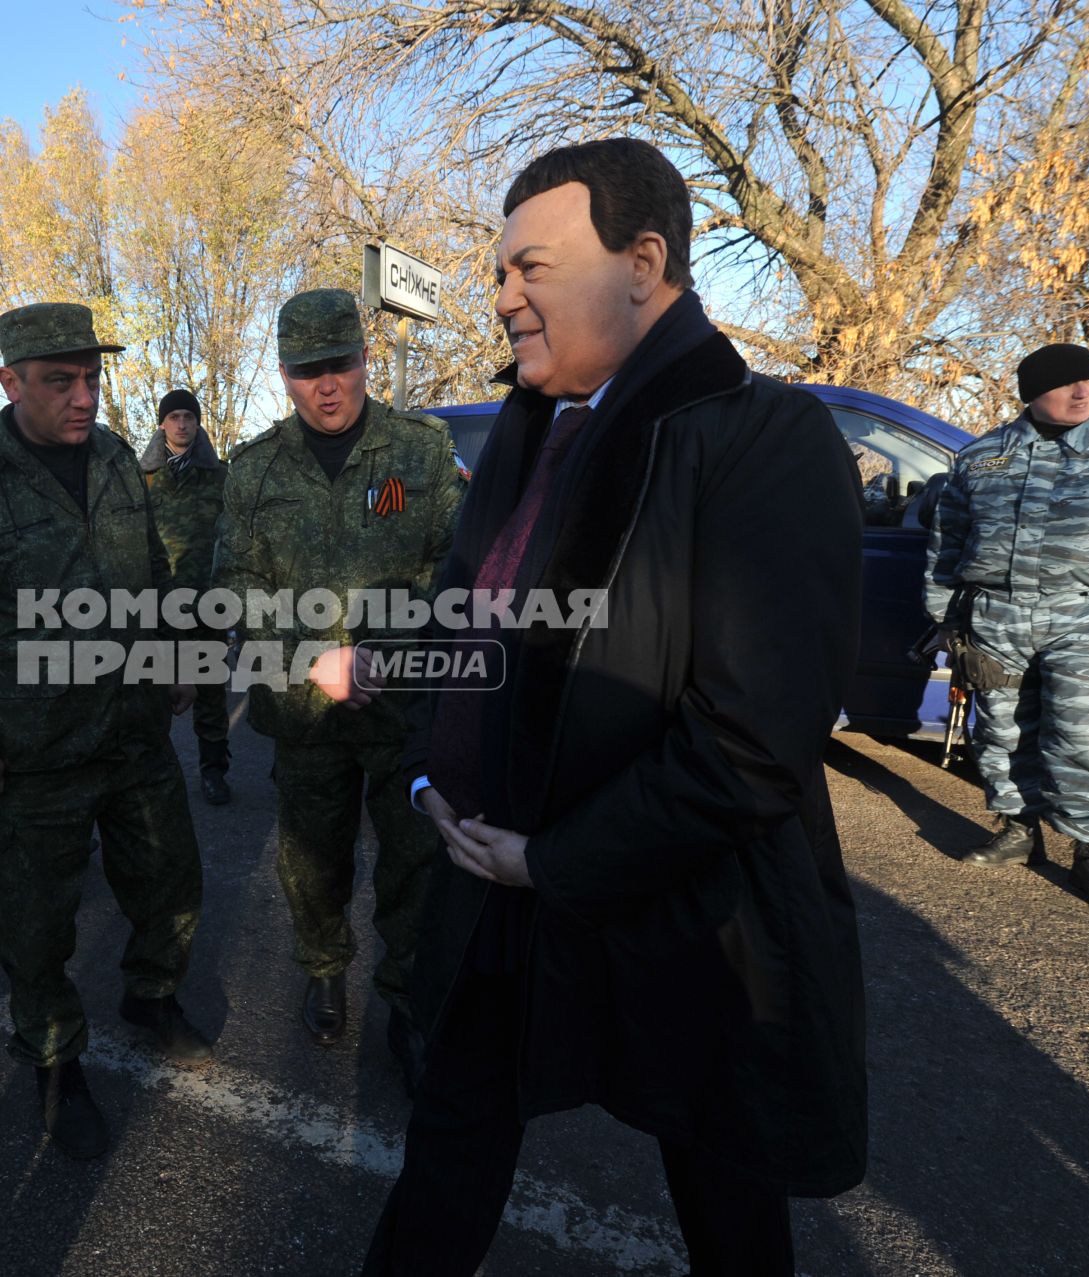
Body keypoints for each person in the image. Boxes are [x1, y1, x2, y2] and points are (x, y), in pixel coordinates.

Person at [364, 140, 867, 1276]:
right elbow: (456, 626)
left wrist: (555, 858)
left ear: (644, 261)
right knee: (446, 1154)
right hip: (498, 893)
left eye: (528, 268)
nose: (500, 299)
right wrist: (424, 776)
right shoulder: (523, 437)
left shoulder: (763, 437)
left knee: (728, 1199)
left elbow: (751, 741)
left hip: (684, 915)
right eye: (498, 273)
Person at [0, 303, 209, 1161]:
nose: (83, 398)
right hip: (34, 756)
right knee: (40, 929)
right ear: (11, 383)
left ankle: (151, 992)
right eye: (59, 381)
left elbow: (152, 569)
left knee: (173, 881)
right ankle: (53, 1059)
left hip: (134, 733)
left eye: (91, 379)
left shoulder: (115, 457)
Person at [214, 290, 462, 1089]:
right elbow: (236, 584)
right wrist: (306, 656)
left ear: (364, 355)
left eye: (342, 364)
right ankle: (324, 966)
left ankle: (406, 999)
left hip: (401, 708)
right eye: (308, 370)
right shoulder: (253, 468)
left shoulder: (420, 452)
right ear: (284, 374)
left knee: (416, 861)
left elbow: (452, 568)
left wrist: (378, 647)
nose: (329, 385)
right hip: (306, 714)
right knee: (312, 863)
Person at [930, 343, 1089, 908]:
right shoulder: (982, 455)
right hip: (997, 615)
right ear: (1030, 396)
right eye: (1065, 385)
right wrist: (944, 619)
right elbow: (948, 543)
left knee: (1084, 736)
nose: (1083, 392)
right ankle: (1019, 831)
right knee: (1000, 729)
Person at [139, 388, 233, 804]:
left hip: (206, 601)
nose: (181, 424)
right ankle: (150, 778)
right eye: (174, 416)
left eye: (188, 417)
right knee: (152, 693)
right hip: (155, 603)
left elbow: (232, 537)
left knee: (210, 694)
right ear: (162, 423)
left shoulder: (220, 476)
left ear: (197, 423)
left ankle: (214, 771)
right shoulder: (140, 478)